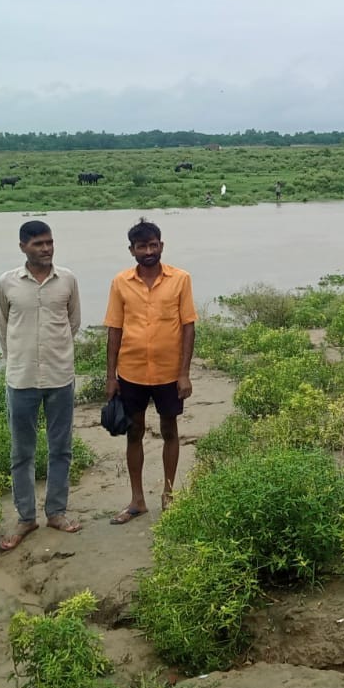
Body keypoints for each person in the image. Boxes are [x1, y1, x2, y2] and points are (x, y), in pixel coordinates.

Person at [0, 219, 83, 551]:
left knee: (61, 448)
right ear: (23, 247)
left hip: (60, 377)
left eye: (49, 242)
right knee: (22, 452)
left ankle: (57, 512)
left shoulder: (68, 280)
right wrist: (19, 358)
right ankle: (25, 518)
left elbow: (72, 322)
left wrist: (55, 354)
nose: (45, 249)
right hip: (21, 380)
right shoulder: (7, 283)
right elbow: (2, 327)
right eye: (37, 244)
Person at [104, 219, 197, 523]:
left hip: (169, 373)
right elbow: (114, 330)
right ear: (131, 250)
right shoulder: (120, 282)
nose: (148, 251)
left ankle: (168, 496)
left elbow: (188, 327)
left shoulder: (180, 279)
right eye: (142, 246)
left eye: (153, 244)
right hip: (131, 372)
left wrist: (184, 373)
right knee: (134, 433)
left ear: (161, 246)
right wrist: (110, 377)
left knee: (170, 430)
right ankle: (137, 500)